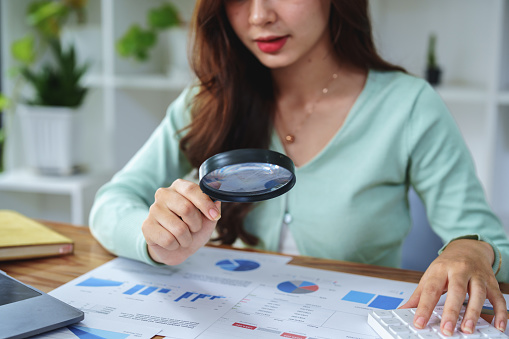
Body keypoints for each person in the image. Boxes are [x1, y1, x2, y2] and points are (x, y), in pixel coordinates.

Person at [90, 0, 509, 336]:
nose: (259, 16)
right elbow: (110, 202)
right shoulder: (207, 101)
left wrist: (471, 249)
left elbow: (489, 241)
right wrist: (154, 238)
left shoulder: (409, 105)